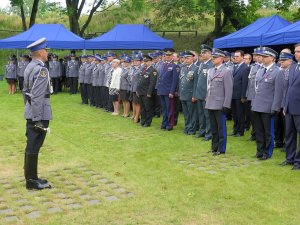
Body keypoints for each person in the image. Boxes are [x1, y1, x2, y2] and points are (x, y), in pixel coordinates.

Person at [23, 37, 52, 190]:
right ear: (40, 52)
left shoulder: (29, 66)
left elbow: (25, 93)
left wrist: (29, 110)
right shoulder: (41, 69)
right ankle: (32, 182)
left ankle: (31, 177)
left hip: (31, 111)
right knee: (34, 146)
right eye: (46, 50)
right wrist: (36, 119)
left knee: (31, 145)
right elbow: (37, 96)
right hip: (39, 113)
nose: (47, 52)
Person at [252, 47, 284, 160]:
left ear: (273, 58)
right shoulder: (261, 70)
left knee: (268, 132)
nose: (263, 58)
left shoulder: (277, 72)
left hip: (268, 107)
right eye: (263, 56)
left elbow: (278, 92)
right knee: (259, 131)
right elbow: (256, 89)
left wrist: (275, 108)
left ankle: (267, 152)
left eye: (266, 57)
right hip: (257, 106)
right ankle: (259, 151)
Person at [205, 48, 233, 155]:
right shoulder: (211, 70)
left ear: (221, 58)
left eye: (215, 57)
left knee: (221, 128)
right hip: (211, 103)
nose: (213, 59)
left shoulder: (226, 71)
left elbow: (229, 90)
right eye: (213, 57)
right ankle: (214, 147)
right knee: (213, 128)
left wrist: (226, 104)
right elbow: (209, 87)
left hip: (220, 104)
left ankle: (221, 149)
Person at [281, 43, 300, 169]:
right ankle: (290, 158)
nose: (296, 53)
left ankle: (298, 162)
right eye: (295, 51)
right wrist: (284, 105)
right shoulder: (293, 67)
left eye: (298, 51)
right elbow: (288, 87)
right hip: (289, 107)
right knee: (289, 134)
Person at [157, 48, 180, 131]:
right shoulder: (163, 65)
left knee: (169, 109)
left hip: (168, 91)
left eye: (169, 55)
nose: (167, 56)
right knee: (164, 109)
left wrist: (172, 91)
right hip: (162, 90)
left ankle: (170, 124)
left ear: (172, 56)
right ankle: (164, 123)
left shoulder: (175, 66)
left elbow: (175, 80)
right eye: (166, 55)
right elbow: (160, 78)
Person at [194, 44, 214, 141]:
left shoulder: (212, 64)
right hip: (200, 93)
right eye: (201, 53)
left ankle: (209, 133)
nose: (202, 54)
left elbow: (211, 82)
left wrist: (208, 94)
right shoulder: (201, 64)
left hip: (206, 94)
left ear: (210, 53)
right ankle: (202, 131)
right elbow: (198, 81)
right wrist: (196, 94)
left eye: (204, 52)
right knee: (201, 115)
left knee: (207, 115)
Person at [275, 52, 293, 150]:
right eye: (280, 60)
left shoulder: (293, 71)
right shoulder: (281, 72)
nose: (281, 62)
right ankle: (280, 142)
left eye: (283, 60)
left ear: (290, 61)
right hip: (280, 103)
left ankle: (287, 144)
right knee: (279, 125)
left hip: (289, 104)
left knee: (288, 127)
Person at [231, 50, 250, 137]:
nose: (236, 58)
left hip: (239, 95)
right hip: (233, 94)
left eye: (237, 56)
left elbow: (245, 83)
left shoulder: (245, 68)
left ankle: (240, 131)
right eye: (235, 56)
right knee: (234, 114)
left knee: (240, 114)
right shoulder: (235, 66)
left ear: (242, 57)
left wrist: (243, 96)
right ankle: (235, 130)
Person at [245, 47, 263, 141]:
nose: (255, 57)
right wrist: (248, 95)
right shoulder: (253, 67)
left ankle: (258, 134)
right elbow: (250, 82)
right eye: (254, 55)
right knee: (253, 117)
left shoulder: (263, 68)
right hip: (252, 96)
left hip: (260, 97)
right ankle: (254, 133)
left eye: (257, 55)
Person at [179, 51, 198, 135]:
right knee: (186, 114)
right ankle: (187, 127)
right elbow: (181, 81)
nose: (186, 60)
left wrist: (194, 95)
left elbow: (196, 83)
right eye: (185, 58)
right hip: (183, 94)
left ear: (192, 58)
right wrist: (180, 92)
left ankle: (192, 129)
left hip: (191, 95)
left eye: (188, 58)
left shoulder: (196, 68)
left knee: (192, 113)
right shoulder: (183, 68)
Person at [136, 55, 157, 127]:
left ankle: (148, 122)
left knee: (148, 108)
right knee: (142, 108)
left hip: (146, 92)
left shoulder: (153, 70)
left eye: (147, 61)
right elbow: (139, 80)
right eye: (144, 61)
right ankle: (143, 120)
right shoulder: (143, 69)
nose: (145, 63)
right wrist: (137, 90)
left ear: (150, 62)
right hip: (141, 91)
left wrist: (149, 93)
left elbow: (152, 83)